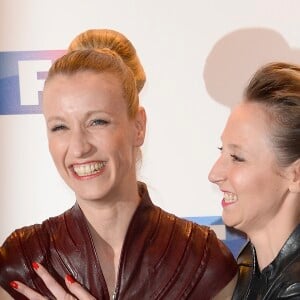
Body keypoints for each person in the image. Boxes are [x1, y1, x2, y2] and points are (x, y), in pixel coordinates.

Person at [0, 29, 237, 300]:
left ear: (138, 126)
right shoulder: (22, 263)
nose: (79, 147)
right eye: (60, 127)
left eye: (97, 122)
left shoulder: (203, 261)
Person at [208, 62, 300, 299]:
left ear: (296, 175)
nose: (214, 174)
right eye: (222, 151)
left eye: (237, 158)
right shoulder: (250, 260)